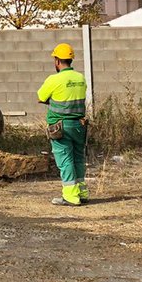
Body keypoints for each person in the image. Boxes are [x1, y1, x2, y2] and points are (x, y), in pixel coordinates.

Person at [37, 43, 89, 206]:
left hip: (60, 127)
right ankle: (82, 192)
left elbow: (40, 96)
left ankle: (71, 196)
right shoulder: (80, 78)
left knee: (65, 160)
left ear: (57, 61)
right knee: (78, 159)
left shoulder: (54, 79)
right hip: (79, 125)